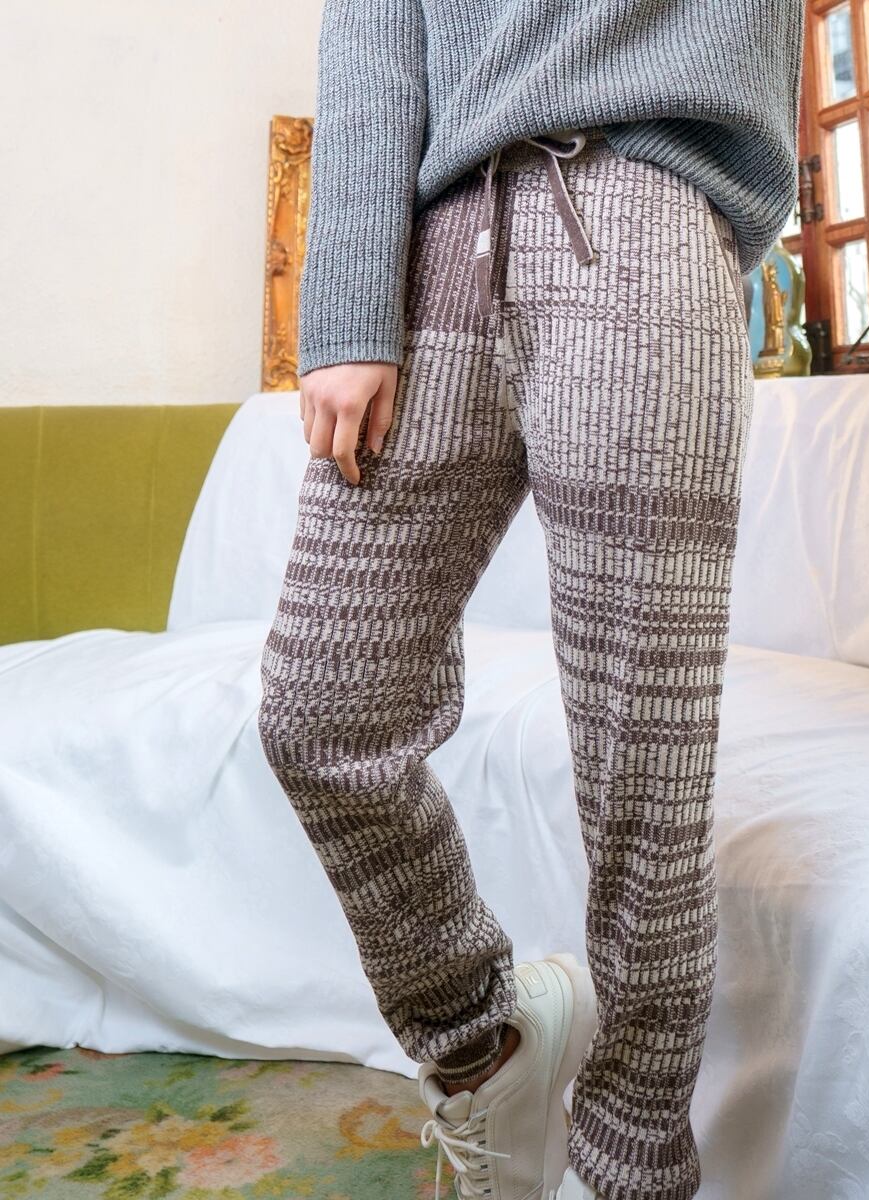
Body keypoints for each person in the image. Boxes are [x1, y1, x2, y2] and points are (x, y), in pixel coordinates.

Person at [256, 2, 804, 1198]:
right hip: (438, 249)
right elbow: (372, 37)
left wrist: (696, 224)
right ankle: (481, 1043)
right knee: (320, 711)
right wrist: (346, 307)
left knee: (643, 770)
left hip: (648, 212)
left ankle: (634, 1165)